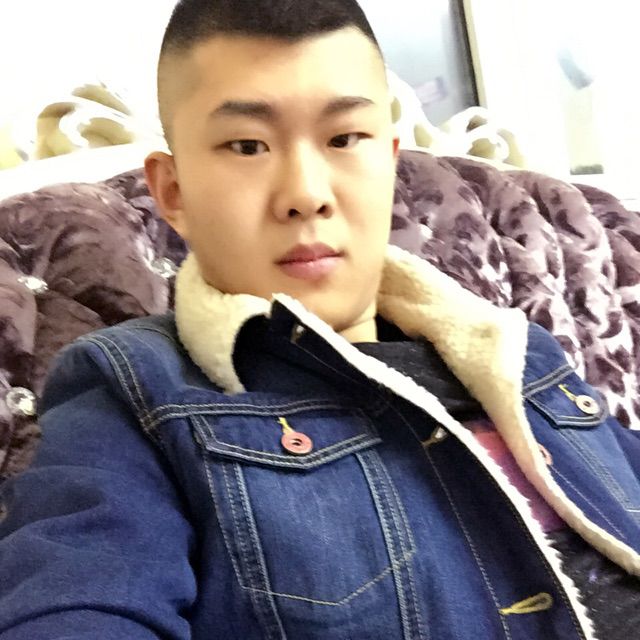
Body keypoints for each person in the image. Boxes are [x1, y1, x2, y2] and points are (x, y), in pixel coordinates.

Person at [0, 1, 638, 638]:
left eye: (343, 139)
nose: (307, 194)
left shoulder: (522, 354)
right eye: (247, 145)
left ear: (389, 161)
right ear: (173, 191)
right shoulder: (133, 391)